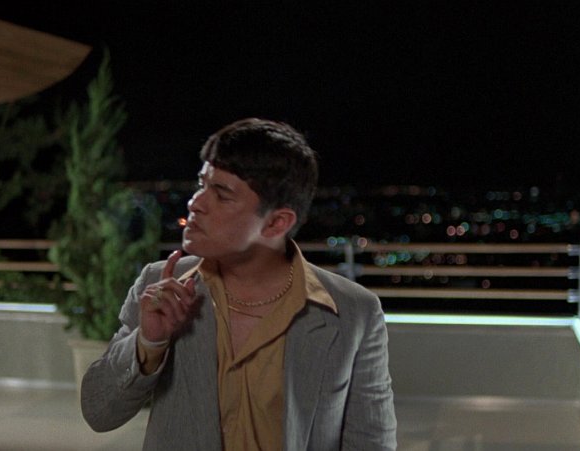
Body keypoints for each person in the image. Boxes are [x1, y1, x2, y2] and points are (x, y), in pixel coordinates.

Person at [81, 118, 397, 450]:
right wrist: (148, 342)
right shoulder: (160, 285)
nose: (195, 203)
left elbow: (371, 442)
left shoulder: (353, 312)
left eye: (222, 195)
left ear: (276, 223)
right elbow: (98, 412)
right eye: (202, 184)